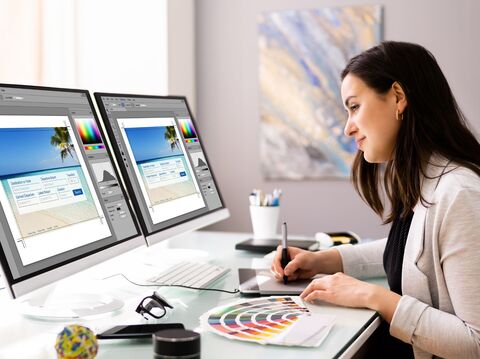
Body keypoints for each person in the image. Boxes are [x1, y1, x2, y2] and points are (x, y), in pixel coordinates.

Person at [271, 41, 480, 358]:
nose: (347, 128)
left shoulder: (459, 194)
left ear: (398, 97)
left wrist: (374, 297)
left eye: (354, 107)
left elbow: (475, 342)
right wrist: (322, 261)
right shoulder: (424, 179)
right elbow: (413, 253)